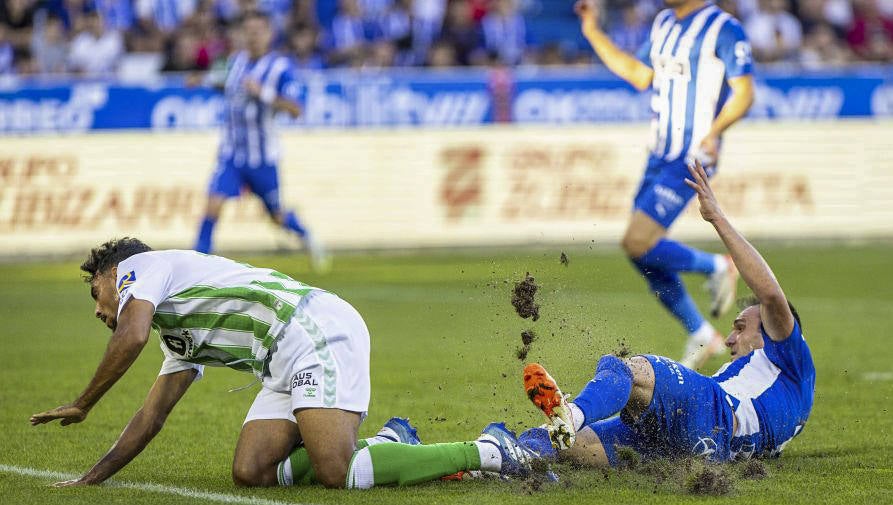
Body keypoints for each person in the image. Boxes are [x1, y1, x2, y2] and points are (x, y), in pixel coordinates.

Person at [30, 238, 538, 488]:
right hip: (280, 360)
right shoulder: (176, 331)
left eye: (97, 293)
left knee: (337, 472)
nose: (99, 309)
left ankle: (486, 451)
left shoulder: (143, 266)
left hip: (313, 330)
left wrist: (83, 404)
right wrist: (90, 480)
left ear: (114, 273)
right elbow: (152, 416)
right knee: (251, 472)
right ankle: (389, 443)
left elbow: (130, 332)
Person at [519, 160, 815, 466]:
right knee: (565, 445)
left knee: (628, 370)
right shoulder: (785, 398)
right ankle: (483, 457)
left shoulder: (791, 357)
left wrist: (717, 218)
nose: (730, 339)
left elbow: (770, 294)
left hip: (712, 410)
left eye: (741, 328)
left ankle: (571, 413)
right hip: (702, 448)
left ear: (776, 333)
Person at [574, 0, 756, 368]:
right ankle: (702, 334)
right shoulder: (662, 23)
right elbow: (639, 74)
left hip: (691, 154)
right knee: (639, 249)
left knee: (638, 240)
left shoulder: (724, 28)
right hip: (658, 154)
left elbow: (745, 94)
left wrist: (715, 133)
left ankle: (718, 266)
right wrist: (592, 31)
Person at [194, 10, 328, 271]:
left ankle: (307, 235)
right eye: (249, 31)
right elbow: (222, 82)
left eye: (258, 31)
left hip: (263, 158)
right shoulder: (235, 62)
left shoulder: (280, 68)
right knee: (212, 204)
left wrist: (263, 92)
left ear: (269, 34)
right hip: (232, 154)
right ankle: (196, 267)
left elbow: (296, 109)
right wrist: (201, 80)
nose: (253, 37)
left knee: (277, 217)